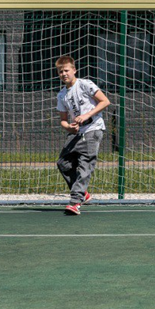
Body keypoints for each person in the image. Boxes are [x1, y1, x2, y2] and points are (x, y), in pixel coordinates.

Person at [55, 55, 111, 216]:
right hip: (77, 132)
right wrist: (69, 127)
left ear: (74, 70)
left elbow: (104, 101)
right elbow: (63, 120)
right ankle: (83, 193)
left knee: (85, 164)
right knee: (63, 163)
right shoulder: (62, 95)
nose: (64, 74)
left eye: (66, 70)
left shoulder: (85, 84)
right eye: (60, 72)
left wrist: (86, 115)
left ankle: (75, 201)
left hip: (93, 128)